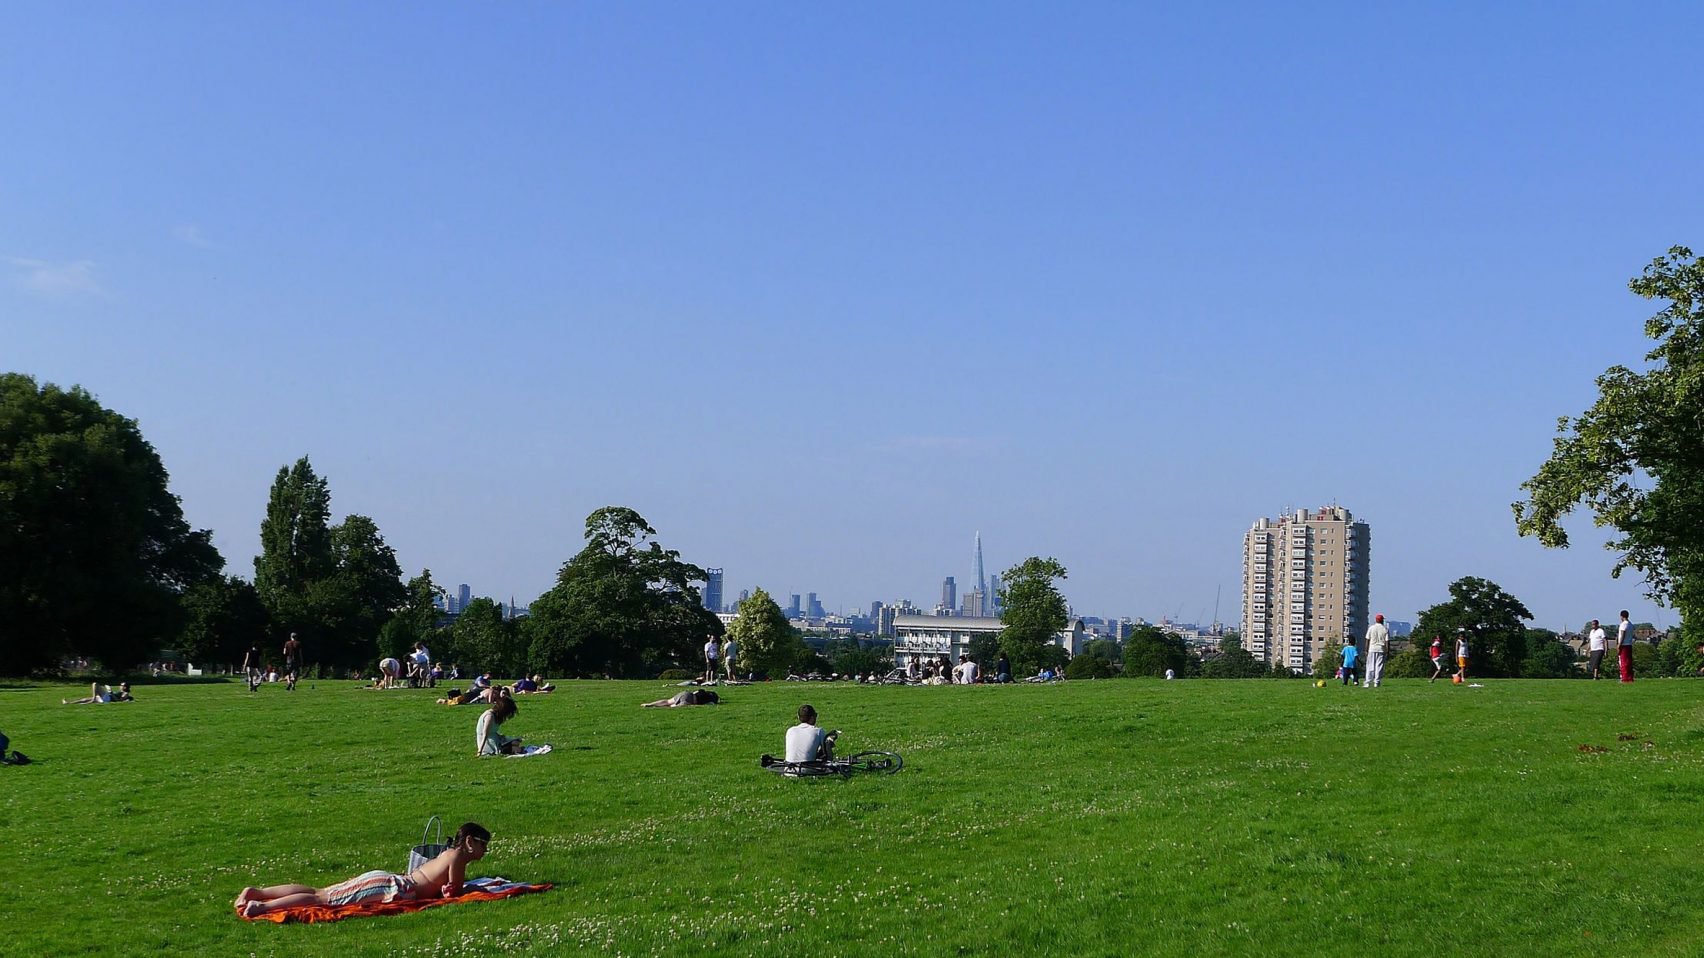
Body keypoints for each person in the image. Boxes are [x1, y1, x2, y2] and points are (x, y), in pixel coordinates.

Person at [235, 822, 490, 917]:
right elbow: (455, 893)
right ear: (470, 842)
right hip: (394, 888)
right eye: (483, 845)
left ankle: (259, 893)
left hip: (390, 881)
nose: (485, 851)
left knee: (320, 892)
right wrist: (448, 892)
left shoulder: (449, 854)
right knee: (321, 900)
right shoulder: (457, 858)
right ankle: (262, 906)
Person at [64, 682, 133, 705]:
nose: (120, 686)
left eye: (122, 685)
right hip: (106, 698)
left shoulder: (125, 693)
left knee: (95, 684)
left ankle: (93, 699)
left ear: (125, 687)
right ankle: (69, 703)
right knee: (84, 699)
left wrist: (110, 692)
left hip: (108, 698)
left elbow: (119, 701)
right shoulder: (121, 692)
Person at [641, 689, 720, 707]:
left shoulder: (702, 691)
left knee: (667, 701)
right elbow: (710, 704)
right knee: (673, 706)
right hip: (690, 700)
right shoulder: (710, 700)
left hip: (686, 693)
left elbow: (695, 692)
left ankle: (650, 704)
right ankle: (655, 707)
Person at [1617, 609, 1634, 683]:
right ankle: (1630, 677)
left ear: (1621, 616)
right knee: (1629, 662)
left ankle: (1624, 678)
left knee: (1623, 662)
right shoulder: (1630, 624)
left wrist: (1619, 644)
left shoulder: (1623, 624)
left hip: (1624, 645)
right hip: (1629, 644)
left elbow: (1622, 635)